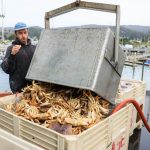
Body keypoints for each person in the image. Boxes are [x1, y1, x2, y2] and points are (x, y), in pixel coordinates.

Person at [1, 22, 36, 93]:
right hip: (18, 90)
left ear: (27, 32)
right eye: (20, 33)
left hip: (34, 88)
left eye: (25, 32)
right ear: (16, 34)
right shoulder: (11, 48)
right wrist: (12, 55)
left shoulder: (34, 48)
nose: (23, 36)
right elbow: (6, 69)